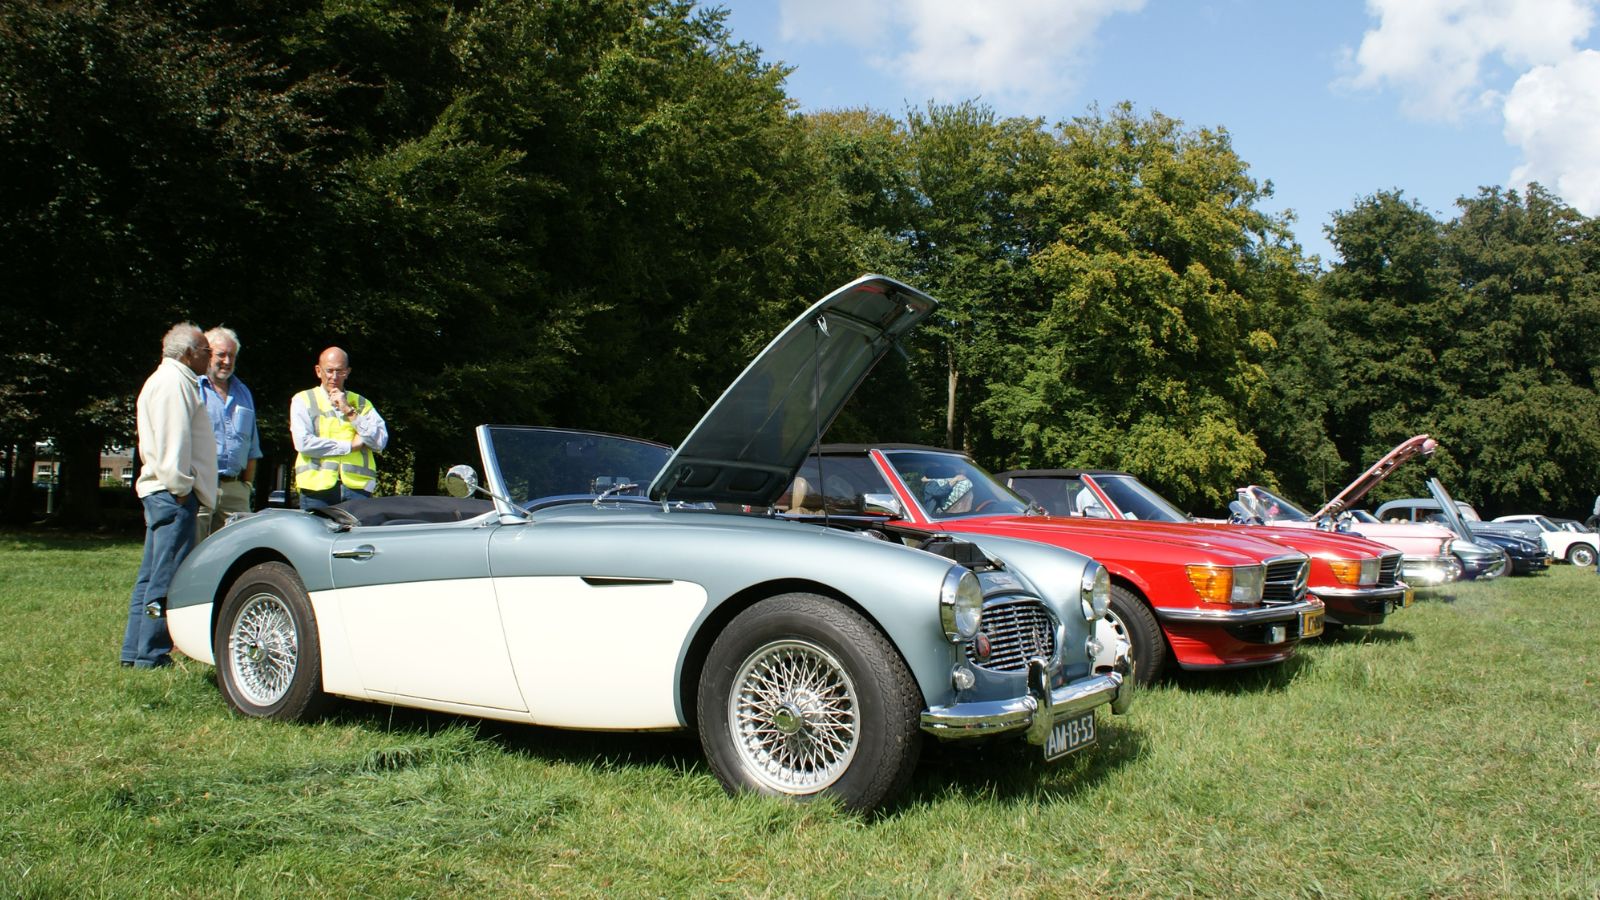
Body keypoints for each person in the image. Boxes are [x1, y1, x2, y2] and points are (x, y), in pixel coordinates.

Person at [122, 323, 217, 669]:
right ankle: (151, 653)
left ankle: (135, 652)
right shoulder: (174, 383)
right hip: (171, 493)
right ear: (190, 352)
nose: (211, 358)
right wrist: (180, 488)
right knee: (166, 578)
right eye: (207, 350)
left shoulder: (169, 380)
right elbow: (172, 443)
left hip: (165, 491)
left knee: (151, 575)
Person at [290, 346, 387, 509]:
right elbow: (303, 443)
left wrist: (349, 411)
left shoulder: (361, 403)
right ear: (318, 371)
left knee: (358, 535)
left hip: (357, 489)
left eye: (340, 371)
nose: (334, 377)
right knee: (316, 535)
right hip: (316, 488)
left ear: (348, 372)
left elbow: (379, 442)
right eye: (329, 370)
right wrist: (350, 446)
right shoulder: (302, 400)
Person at [195, 326, 261, 538]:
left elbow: (252, 446)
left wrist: (246, 486)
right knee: (192, 552)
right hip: (199, 486)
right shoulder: (193, 388)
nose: (227, 361)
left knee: (236, 550)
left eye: (232, 355)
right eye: (221, 354)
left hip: (235, 489)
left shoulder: (243, 392)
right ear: (207, 354)